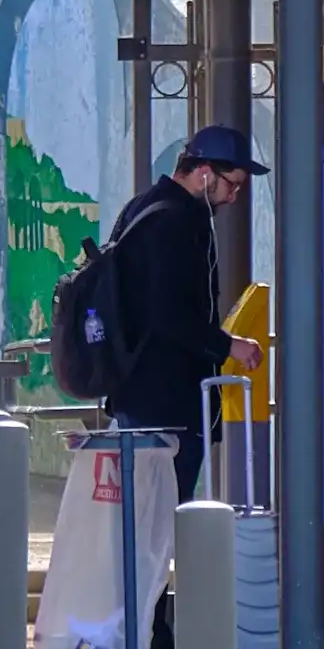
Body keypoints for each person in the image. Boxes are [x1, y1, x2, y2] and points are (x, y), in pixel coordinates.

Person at [104, 125, 271, 505]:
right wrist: (229, 345)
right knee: (157, 521)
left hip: (138, 393)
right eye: (233, 185)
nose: (233, 197)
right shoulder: (176, 221)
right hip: (165, 403)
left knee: (142, 522)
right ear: (205, 173)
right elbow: (168, 314)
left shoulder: (143, 206)